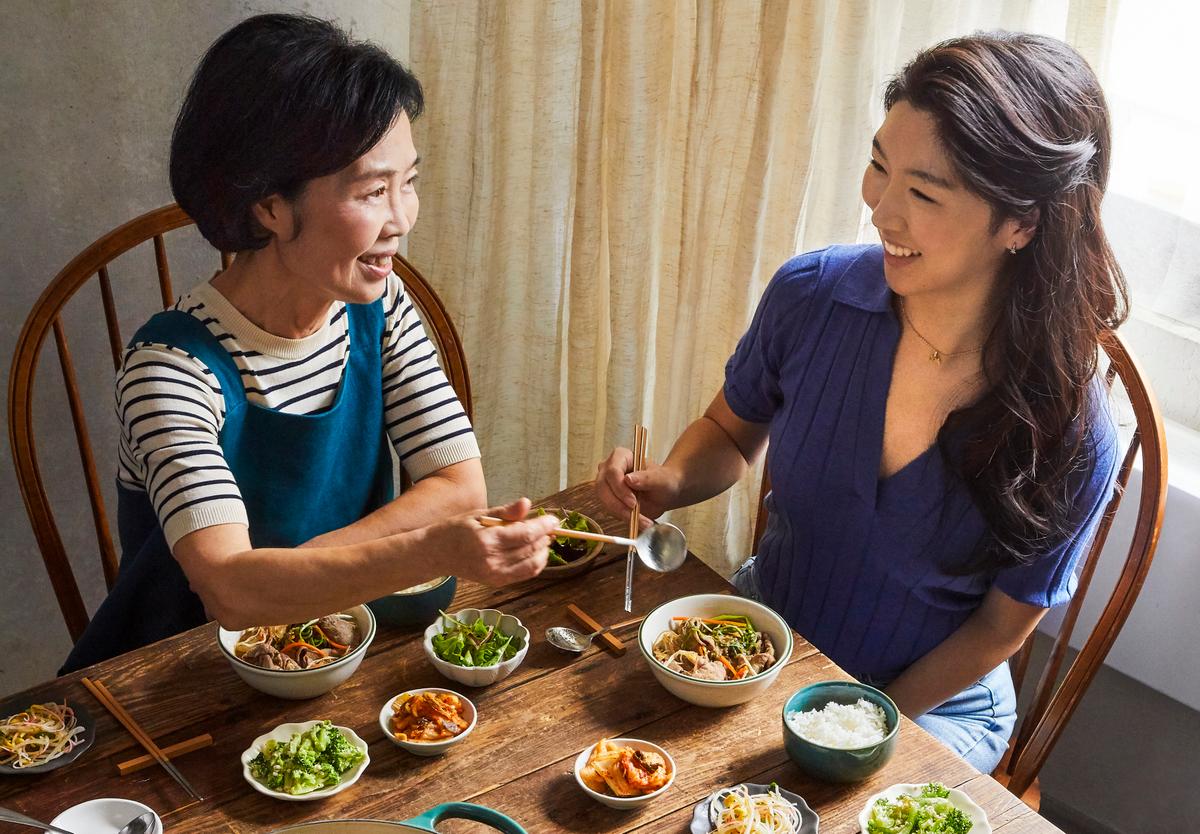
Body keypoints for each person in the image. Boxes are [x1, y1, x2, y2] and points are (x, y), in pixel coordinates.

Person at [595, 32, 1124, 772]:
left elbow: (1001, 628)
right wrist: (672, 481)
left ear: (1022, 223)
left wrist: (858, 721)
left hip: (929, 704)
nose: (881, 210)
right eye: (879, 166)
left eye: (925, 193)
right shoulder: (812, 296)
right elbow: (728, 429)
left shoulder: (1068, 427)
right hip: (762, 640)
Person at [63, 14, 559, 672]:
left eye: (407, 184)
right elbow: (230, 591)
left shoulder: (379, 306)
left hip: (333, 646)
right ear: (269, 208)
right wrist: (428, 550)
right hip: (180, 676)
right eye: (373, 191)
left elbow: (459, 486)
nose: (401, 220)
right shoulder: (172, 371)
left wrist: (296, 581)